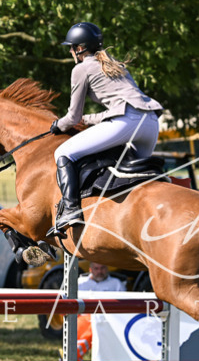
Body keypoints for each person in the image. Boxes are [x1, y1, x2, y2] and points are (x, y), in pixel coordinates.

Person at [48, 21, 164, 237]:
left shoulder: (80, 69)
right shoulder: (117, 66)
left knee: (62, 152)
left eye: (71, 47)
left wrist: (58, 125)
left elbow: (72, 117)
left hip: (127, 123)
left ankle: (70, 210)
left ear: (80, 48)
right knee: (135, 177)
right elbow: (120, 106)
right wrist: (89, 119)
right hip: (150, 123)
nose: (71, 51)